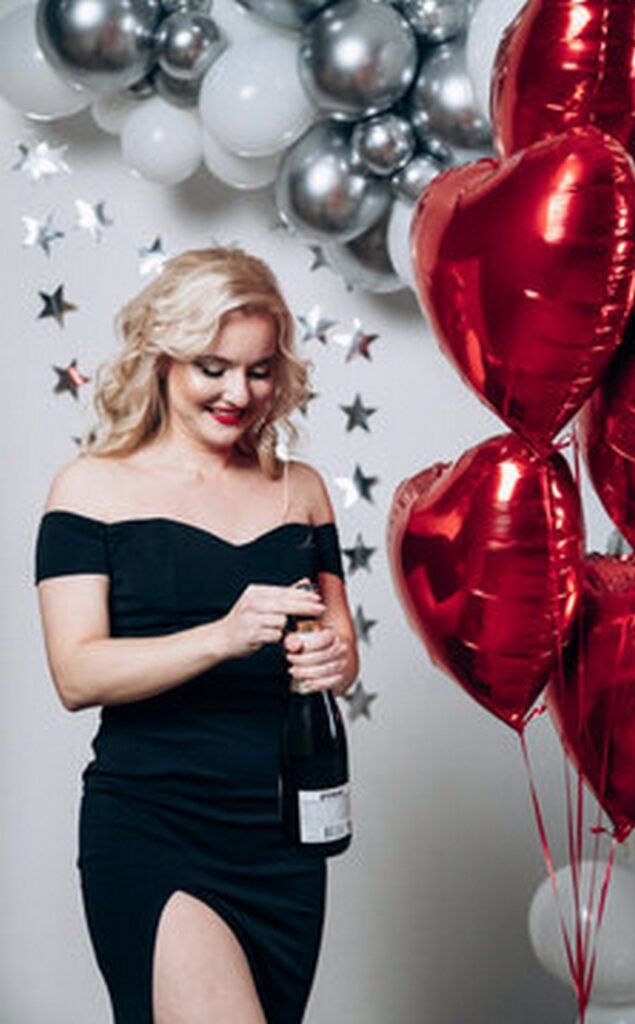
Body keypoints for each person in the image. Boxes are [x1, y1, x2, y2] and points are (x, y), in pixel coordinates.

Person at [35, 247, 359, 1024]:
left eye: (257, 370)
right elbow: (77, 675)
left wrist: (337, 658)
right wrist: (220, 636)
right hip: (155, 823)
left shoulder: (301, 488)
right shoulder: (90, 488)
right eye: (212, 367)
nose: (236, 393)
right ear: (162, 358)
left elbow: (339, 649)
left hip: (284, 835)